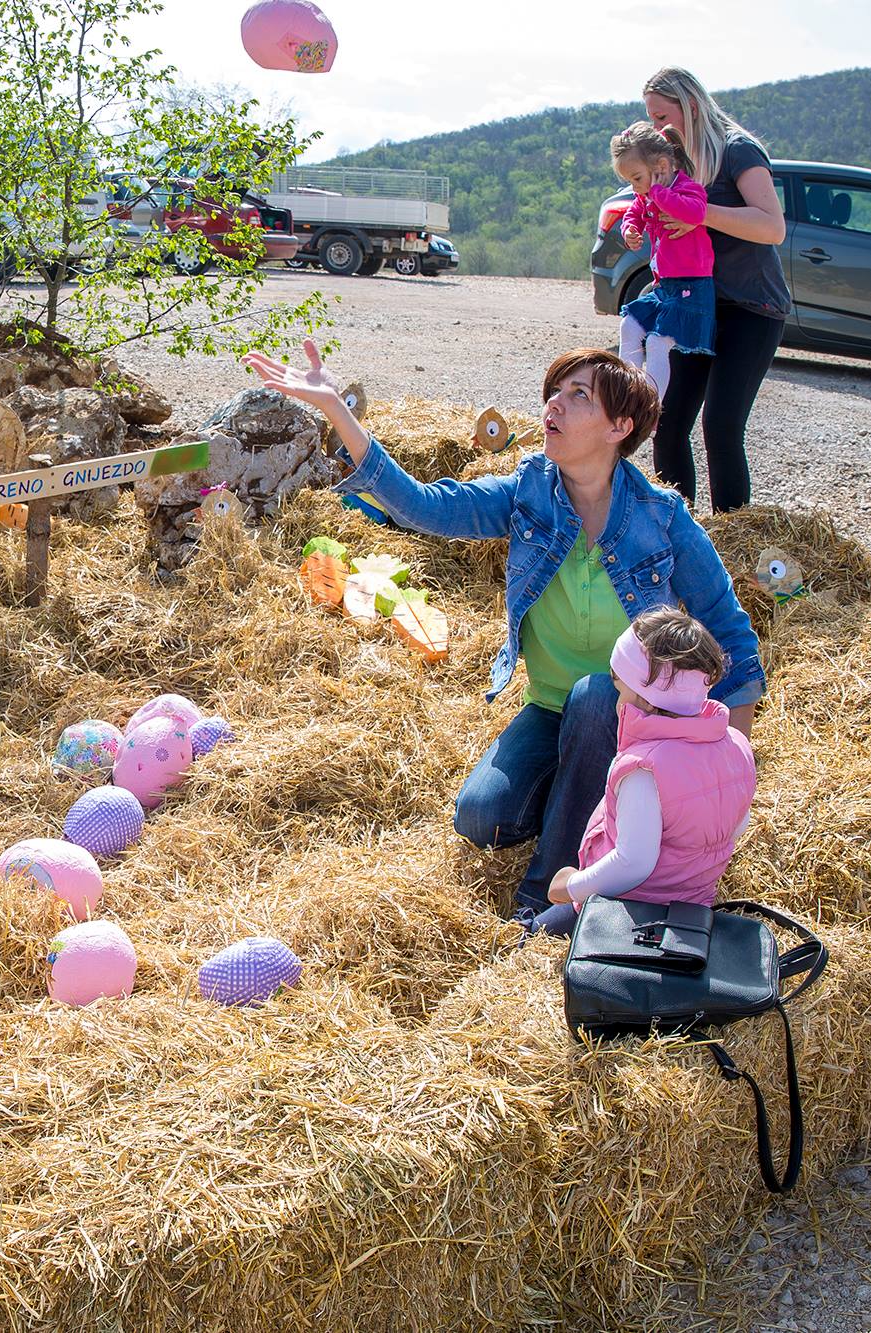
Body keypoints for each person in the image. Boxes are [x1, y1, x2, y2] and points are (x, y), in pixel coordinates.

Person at [242, 341, 764, 916]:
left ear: (620, 427)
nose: (554, 404)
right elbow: (421, 506)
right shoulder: (528, 492)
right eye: (555, 391)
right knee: (481, 816)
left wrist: (730, 764)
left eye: (578, 395)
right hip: (550, 708)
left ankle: (540, 903)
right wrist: (338, 410)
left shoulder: (662, 518)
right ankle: (592, 797)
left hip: (641, 726)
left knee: (597, 694)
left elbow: (731, 637)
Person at [529, 608, 757, 936]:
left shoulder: (644, 769)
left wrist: (572, 886)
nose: (617, 702)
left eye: (621, 691)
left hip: (632, 908)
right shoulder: (736, 745)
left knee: (535, 933)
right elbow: (736, 825)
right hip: (693, 908)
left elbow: (633, 864)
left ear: (647, 700)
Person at [640, 67, 791, 513]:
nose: (656, 128)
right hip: (694, 304)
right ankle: (677, 529)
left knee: (721, 427)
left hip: (752, 307)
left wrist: (700, 214)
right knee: (667, 422)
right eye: (650, 118)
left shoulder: (737, 149)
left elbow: (772, 226)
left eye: (662, 116)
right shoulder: (670, 158)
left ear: (690, 106)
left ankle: (732, 536)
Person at [612, 121, 713, 402]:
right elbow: (633, 213)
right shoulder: (644, 196)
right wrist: (630, 229)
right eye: (631, 181)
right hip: (664, 286)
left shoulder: (687, 189)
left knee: (658, 342)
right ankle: (630, 393)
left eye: (637, 178)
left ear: (663, 167)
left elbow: (696, 213)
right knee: (629, 326)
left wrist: (657, 193)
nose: (635, 187)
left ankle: (650, 405)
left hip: (691, 288)